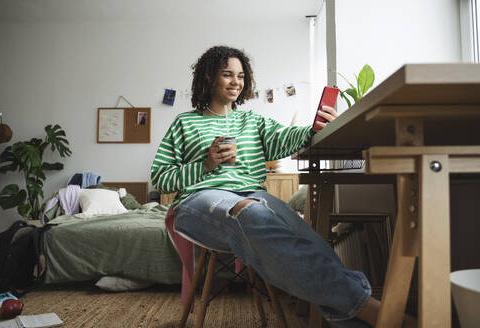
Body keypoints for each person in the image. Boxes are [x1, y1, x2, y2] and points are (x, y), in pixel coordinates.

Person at [151, 46, 414, 328]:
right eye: (227, 74)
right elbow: (161, 178)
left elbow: (284, 139)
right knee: (247, 211)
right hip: (200, 199)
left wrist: (314, 130)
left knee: (303, 235)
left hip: (255, 194)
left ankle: (357, 318)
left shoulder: (251, 121)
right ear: (208, 78)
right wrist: (204, 165)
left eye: (240, 75)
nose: (236, 82)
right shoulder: (184, 122)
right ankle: (374, 310)